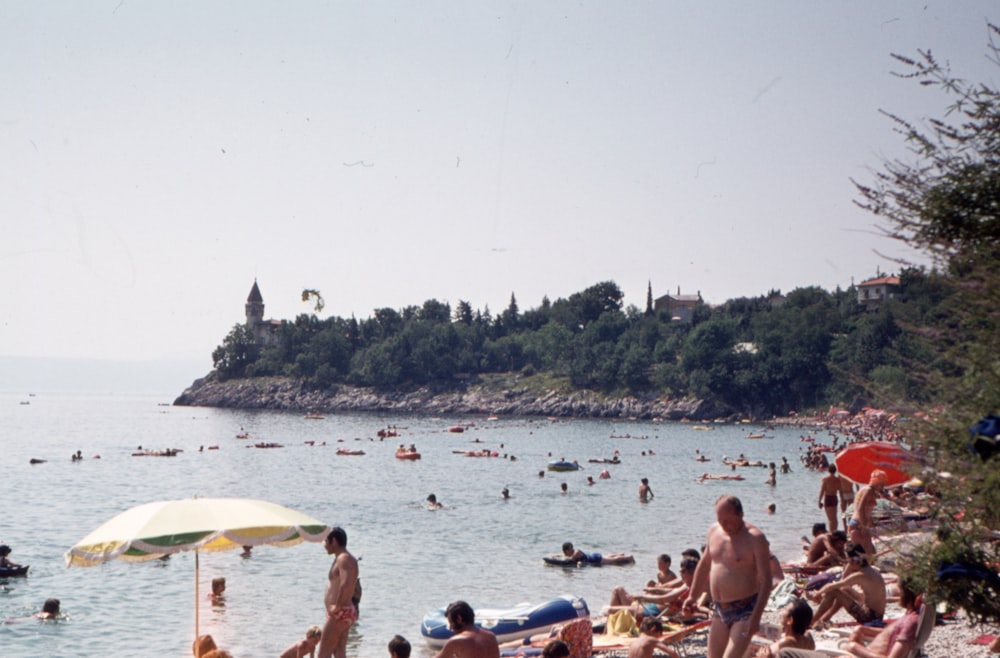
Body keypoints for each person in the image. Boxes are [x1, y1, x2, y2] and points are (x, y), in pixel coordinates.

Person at [683, 494, 772, 658]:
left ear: (741, 514)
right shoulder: (714, 531)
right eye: (720, 520)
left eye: (728, 520)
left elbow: (766, 580)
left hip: (745, 609)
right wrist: (692, 596)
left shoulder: (755, 538)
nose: (724, 524)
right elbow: (704, 565)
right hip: (719, 609)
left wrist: (756, 617)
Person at [778, 580, 923, 658]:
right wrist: (863, 630)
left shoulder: (910, 622)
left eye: (901, 591)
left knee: (785, 654)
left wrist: (855, 648)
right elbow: (889, 637)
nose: (899, 596)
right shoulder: (910, 617)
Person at [809, 542, 886, 628]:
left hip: (869, 617)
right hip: (878, 616)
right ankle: (825, 618)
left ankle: (812, 621)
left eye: (848, 560)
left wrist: (817, 593)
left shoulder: (860, 575)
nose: (848, 564)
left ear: (853, 561)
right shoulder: (873, 571)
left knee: (835, 591)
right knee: (844, 589)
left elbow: (832, 586)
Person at [318, 527, 359, 658]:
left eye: (326, 541)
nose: (324, 546)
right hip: (345, 610)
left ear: (334, 541)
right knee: (338, 651)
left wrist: (337, 607)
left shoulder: (343, 558)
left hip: (341, 611)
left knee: (323, 654)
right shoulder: (344, 558)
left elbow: (346, 584)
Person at [432, 600, 500, 658]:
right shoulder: (491, 637)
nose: (450, 627)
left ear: (459, 619)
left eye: (451, 622)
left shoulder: (456, 641)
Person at [851, 470, 886, 557]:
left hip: (856, 522)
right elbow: (860, 509)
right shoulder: (868, 490)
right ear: (878, 482)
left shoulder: (865, 489)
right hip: (859, 524)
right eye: (882, 484)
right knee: (868, 553)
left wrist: (870, 523)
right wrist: (864, 525)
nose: (883, 487)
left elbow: (866, 510)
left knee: (869, 551)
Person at [561, 542, 634, 566]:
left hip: (596, 559)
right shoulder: (573, 553)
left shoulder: (576, 553)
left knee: (613, 560)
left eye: (566, 551)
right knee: (608, 556)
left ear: (568, 550)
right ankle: (621, 554)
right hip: (593, 556)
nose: (565, 553)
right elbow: (565, 556)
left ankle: (629, 557)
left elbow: (571, 560)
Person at [818, 465, 841, 532]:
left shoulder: (825, 479)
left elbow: (822, 490)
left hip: (828, 498)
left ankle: (831, 534)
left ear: (828, 470)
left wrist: (819, 501)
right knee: (834, 518)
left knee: (830, 519)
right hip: (834, 497)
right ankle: (835, 532)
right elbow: (839, 489)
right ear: (835, 471)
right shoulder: (837, 480)